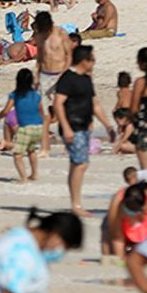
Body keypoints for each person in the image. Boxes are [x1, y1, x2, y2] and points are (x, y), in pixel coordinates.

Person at [52, 45, 117, 217]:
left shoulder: (87, 79)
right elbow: (57, 104)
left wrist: (108, 126)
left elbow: (95, 104)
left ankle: (75, 203)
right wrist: (65, 128)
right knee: (81, 164)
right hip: (72, 126)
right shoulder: (68, 78)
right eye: (92, 60)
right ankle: (76, 205)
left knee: (77, 164)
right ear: (84, 61)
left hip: (84, 126)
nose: (94, 63)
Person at [3, 69, 46, 182]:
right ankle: (34, 174)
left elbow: (7, 110)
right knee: (31, 151)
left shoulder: (15, 95)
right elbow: (42, 111)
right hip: (38, 127)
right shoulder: (36, 95)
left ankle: (23, 178)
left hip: (26, 128)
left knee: (17, 155)